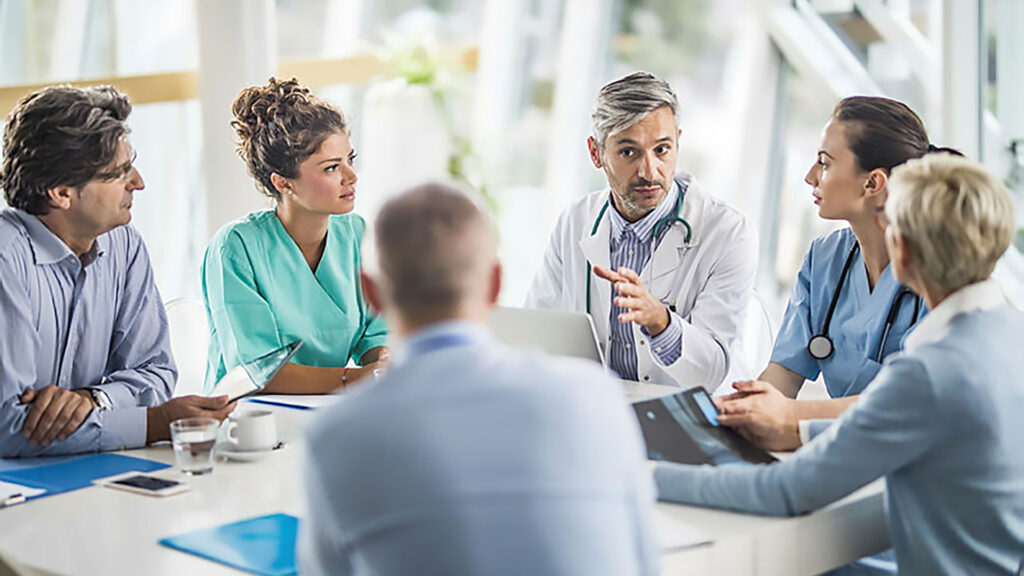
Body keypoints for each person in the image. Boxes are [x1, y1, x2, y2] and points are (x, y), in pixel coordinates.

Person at [656, 154, 1024, 576]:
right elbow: (929, 426)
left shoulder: (928, 372)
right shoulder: (1012, 333)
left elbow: (785, 492)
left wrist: (643, 475)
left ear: (901, 249)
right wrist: (802, 431)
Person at [299, 183, 658, 576]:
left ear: (371, 294)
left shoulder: (333, 436)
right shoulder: (597, 397)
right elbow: (644, 563)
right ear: (495, 284)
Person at [0, 85, 234, 457]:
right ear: (61, 193)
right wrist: (153, 423)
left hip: (85, 474)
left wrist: (95, 399)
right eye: (118, 172)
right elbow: (8, 426)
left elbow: (156, 373)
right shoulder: (6, 259)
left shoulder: (123, 244)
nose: (138, 182)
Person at [715, 98, 953, 457]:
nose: (810, 176)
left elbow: (907, 404)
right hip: (845, 448)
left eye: (825, 163)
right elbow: (784, 375)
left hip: (914, 457)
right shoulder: (825, 259)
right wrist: (738, 412)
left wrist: (793, 418)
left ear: (873, 183)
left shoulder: (938, 271)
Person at [526, 71, 756, 390]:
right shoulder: (574, 222)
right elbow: (537, 331)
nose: (650, 172)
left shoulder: (728, 232)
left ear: (678, 141)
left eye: (662, 150)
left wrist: (660, 322)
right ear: (596, 153)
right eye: (629, 152)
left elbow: (713, 370)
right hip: (602, 410)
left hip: (694, 417)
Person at [202, 78, 387, 395]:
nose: (351, 177)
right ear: (283, 183)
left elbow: (377, 333)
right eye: (331, 168)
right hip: (249, 418)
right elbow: (258, 372)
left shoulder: (357, 233)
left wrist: (383, 366)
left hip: (330, 407)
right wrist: (355, 379)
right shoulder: (236, 248)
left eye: (350, 160)